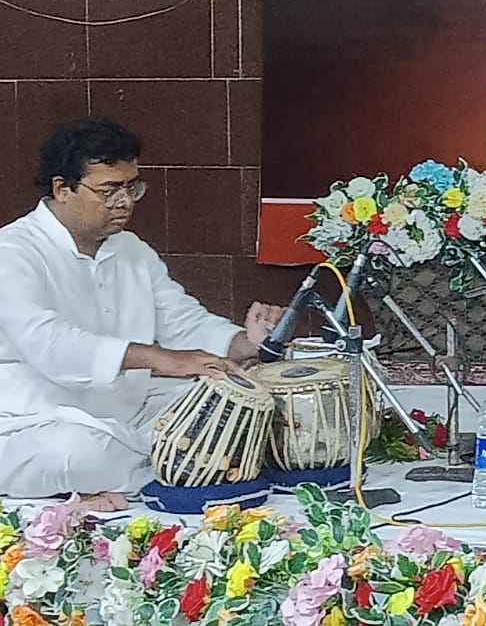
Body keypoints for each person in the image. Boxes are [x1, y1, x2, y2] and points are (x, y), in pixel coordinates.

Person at [0, 119, 286, 511]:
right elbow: (49, 343)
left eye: (132, 187)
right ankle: (167, 466)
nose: (125, 202)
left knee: (225, 405)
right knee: (79, 454)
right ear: (62, 189)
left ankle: (143, 470)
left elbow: (182, 320)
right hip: (35, 421)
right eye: (109, 190)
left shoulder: (130, 249)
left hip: (131, 409)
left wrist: (244, 343)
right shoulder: (13, 252)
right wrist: (160, 360)